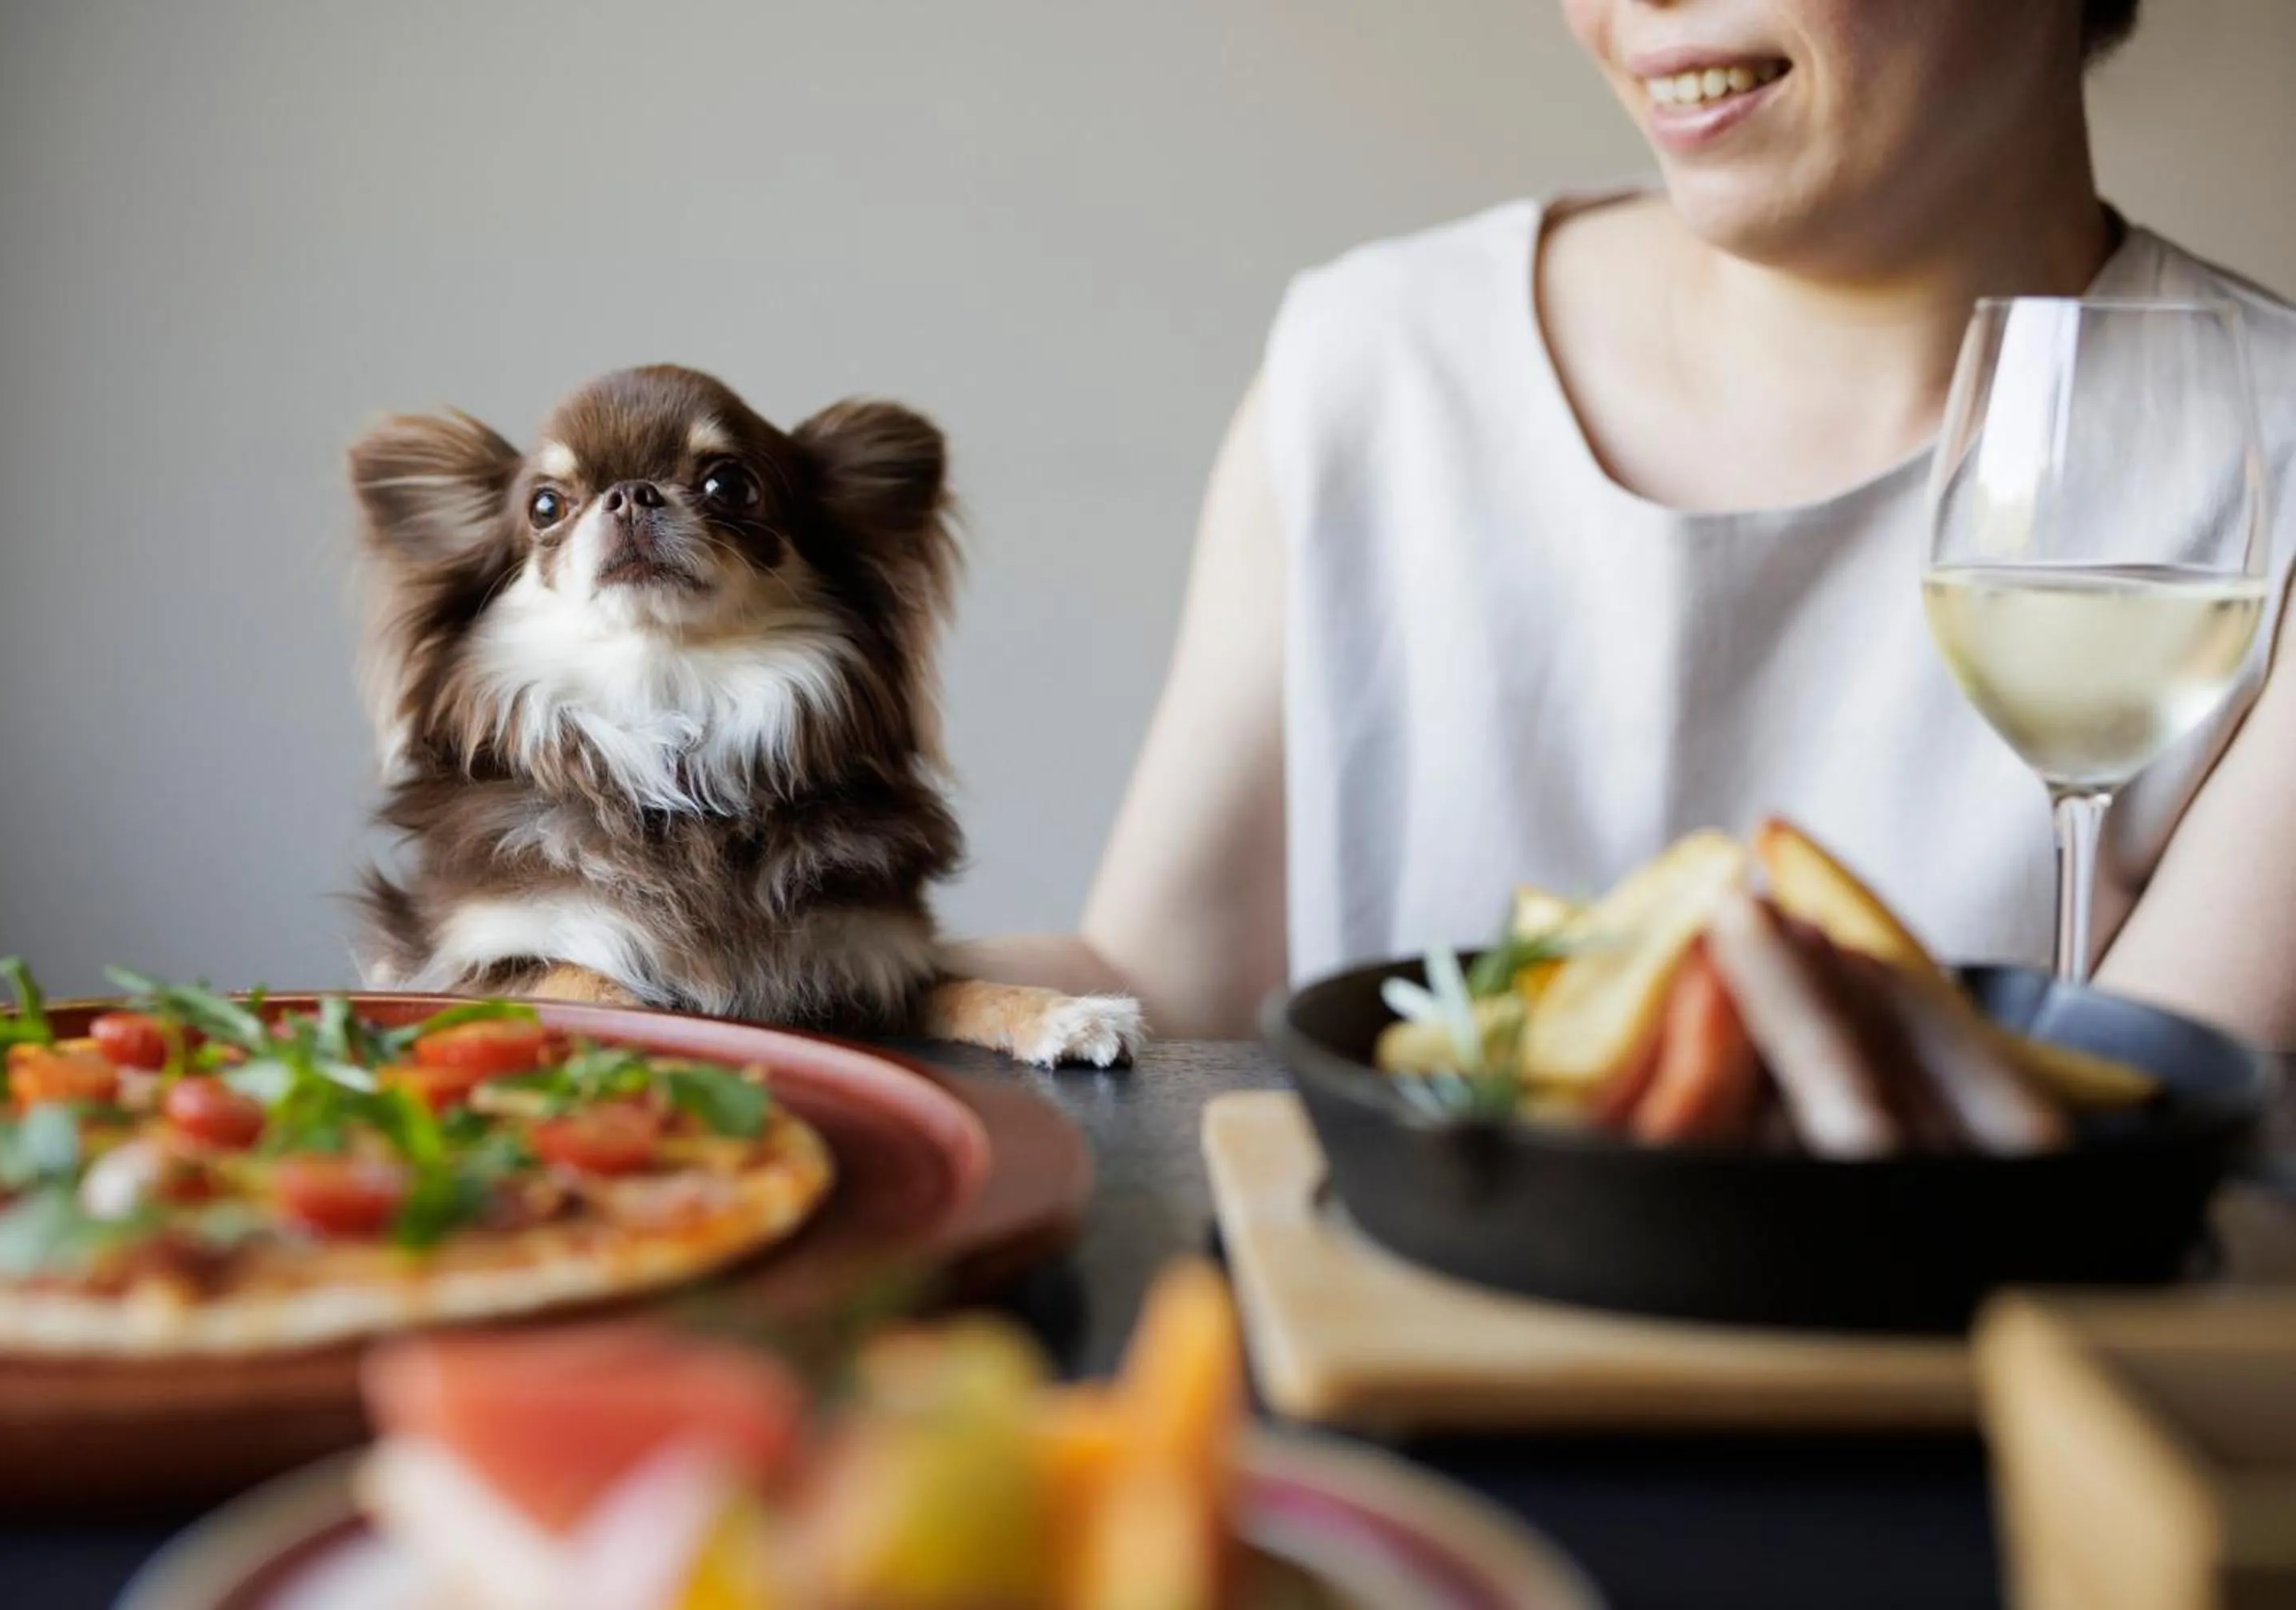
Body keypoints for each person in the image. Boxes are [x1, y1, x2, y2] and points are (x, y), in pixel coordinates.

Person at [960, 0, 2296, 1050]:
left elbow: (2154, 1143)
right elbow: (1154, 992)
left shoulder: (2274, 471)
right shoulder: (1379, 366)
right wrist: (838, 967)